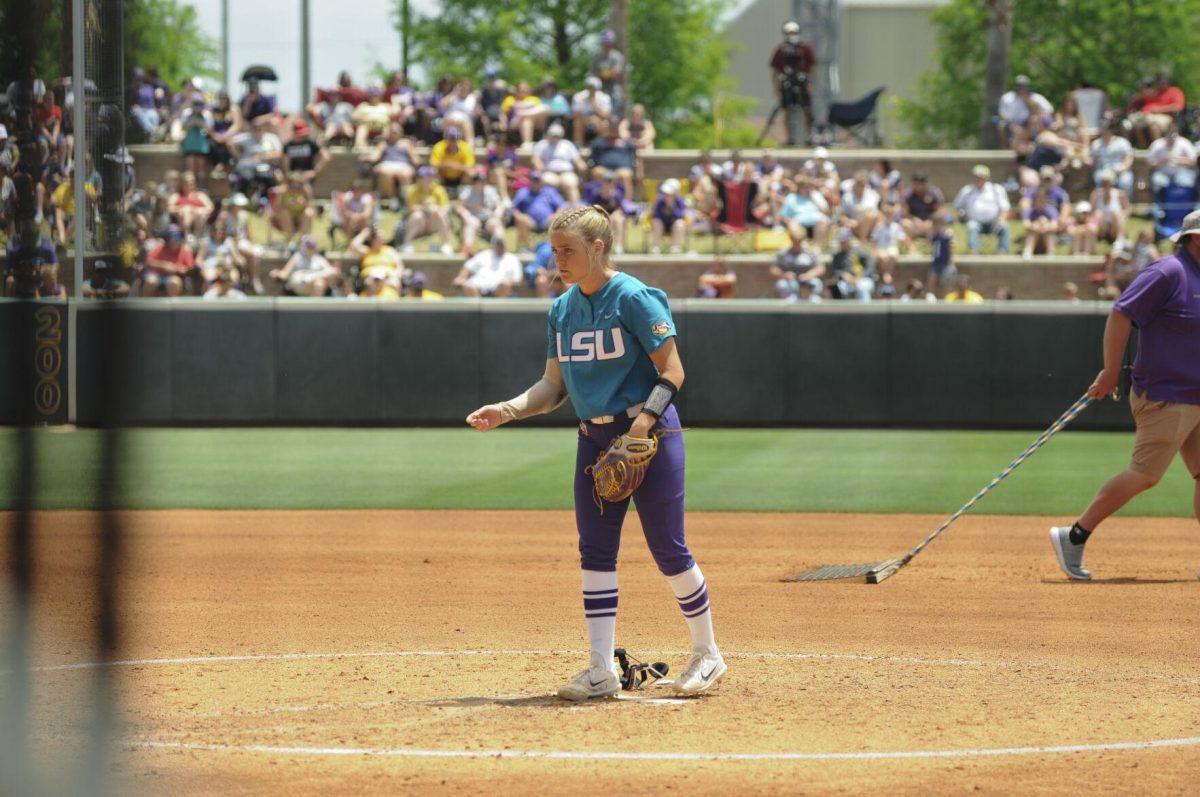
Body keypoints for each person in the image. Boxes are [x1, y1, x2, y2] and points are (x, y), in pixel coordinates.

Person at [465, 205, 726, 699]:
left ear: (598, 247)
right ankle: (599, 668)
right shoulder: (562, 309)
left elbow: (673, 372)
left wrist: (641, 426)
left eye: (568, 250)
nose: (557, 259)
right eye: (554, 250)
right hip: (594, 439)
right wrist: (506, 410)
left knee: (668, 547)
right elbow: (551, 387)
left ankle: (708, 654)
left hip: (649, 437)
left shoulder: (633, 297)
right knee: (595, 551)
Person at [1050, 209, 1200, 582]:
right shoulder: (1168, 272)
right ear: (1197, 238)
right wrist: (1110, 371)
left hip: (1196, 395)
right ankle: (1073, 536)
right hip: (1166, 394)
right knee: (1145, 474)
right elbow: (1121, 314)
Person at [769, 20, 815, 144]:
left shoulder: (805, 48)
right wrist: (776, 88)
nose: (791, 34)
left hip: (802, 83)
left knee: (807, 110)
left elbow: (812, 67)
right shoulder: (781, 49)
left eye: (793, 32)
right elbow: (775, 70)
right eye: (788, 32)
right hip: (787, 84)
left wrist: (810, 83)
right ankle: (790, 138)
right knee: (787, 111)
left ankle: (809, 137)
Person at [954, 165, 1011, 254]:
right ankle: (974, 251)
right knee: (972, 226)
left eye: (981, 177)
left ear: (986, 178)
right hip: (976, 222)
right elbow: (957, 206)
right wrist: (961, 215)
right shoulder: (967, 190)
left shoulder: (996, 189)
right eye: (976, 177)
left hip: (994, 222)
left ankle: (1003, 251)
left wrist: (1001, 219)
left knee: (1005, 226)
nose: (978, 179)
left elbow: (1005, 207)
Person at [453, 233, 523, 297]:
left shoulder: (512, 259)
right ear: (494, 245)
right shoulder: (484, 255)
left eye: (502, 244)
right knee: (468, 285)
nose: (500, 246)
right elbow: (468, 267)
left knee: (504, 285)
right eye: (498, 244)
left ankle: (498, 309)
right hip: (478, 288)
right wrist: (460, 278)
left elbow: (517, 279)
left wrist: (507, 282)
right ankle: (475, 310)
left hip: (498, 290)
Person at [533, 123, 587, 203]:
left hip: (566, 173)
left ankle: (576, 208)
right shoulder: (542, 144)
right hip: (549, 172)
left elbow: (577, 159)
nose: (554, 137)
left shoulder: (567, 145)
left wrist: (581, 165)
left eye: (557, 136)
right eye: (553, 135)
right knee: (547, 181)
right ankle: (554, 209)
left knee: (571, 183)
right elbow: (535, 158)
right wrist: (539, 165)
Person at [270, 235, 339, 297]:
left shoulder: (319, 259)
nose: (311, 248)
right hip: (300, 282)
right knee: (320, 281)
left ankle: (313, 309)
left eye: (312, 245)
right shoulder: (297, 257)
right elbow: (285, 274)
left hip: (313, 281)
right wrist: (277, 273)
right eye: (309, 245)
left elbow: (332, 272)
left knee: (319, 283)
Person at [510, 171, 565, 250]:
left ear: (541, 182)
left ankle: (551, 247)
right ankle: (529, 248)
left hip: (548, 221)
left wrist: (555, 215)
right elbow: (514, 208)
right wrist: (521, 216)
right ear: (530, 181)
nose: (535, 182)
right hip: (529, 222)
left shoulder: (549, 191)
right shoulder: (523, 192)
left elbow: (561, 206)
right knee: (520, 219)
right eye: (533, 180)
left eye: (537, 180)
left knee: (557, 217)